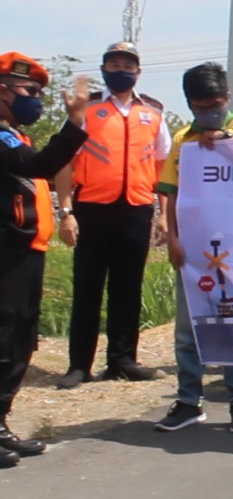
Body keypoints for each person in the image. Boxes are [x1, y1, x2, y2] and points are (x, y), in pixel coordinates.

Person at [153, 63, 233, 433]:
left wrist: (225, 142)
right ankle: (189, 401)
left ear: (227, 98)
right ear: (190, 104)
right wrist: (173, 238)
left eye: (215, 105)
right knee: (189, 329)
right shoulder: (183, 139)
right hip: (194, 248)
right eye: (201, 107)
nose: (209, 112)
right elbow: (171, 194)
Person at [54, 42, 171, 389]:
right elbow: (64, 163)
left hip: (136, 210)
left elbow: (163, 168)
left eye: (128, 65)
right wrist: (66, 212)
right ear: (104, 69)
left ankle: (123, 360)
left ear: (138, 71)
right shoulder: (86, 108)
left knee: (128, 289)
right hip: (92, 209)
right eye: (114, 64)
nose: (121, 70)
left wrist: (164, 214)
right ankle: (79, 365)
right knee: (87, 289)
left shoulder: (153, 113)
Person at [0, 53, 88, 468]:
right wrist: (74, 123)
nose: (35, 99)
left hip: (25, 251)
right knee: (4, 339)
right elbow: (39, 166)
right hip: (6, 253)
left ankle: (1, 422)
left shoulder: (13, 135)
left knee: (20, 339)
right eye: (28, 90)